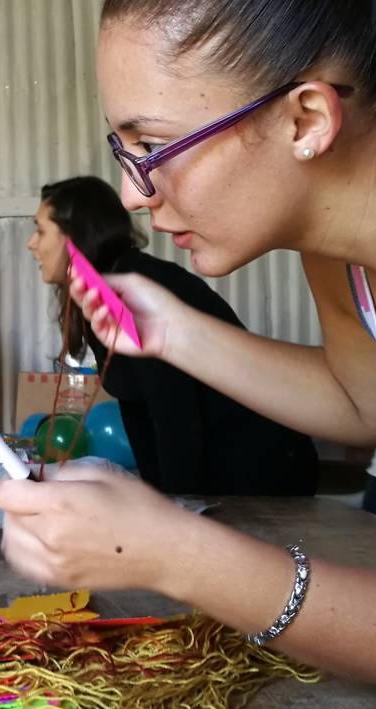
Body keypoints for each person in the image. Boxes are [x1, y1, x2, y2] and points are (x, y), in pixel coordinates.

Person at [0, 0, 376, 704]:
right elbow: (367, 404)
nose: (132, 195)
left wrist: (176, 553)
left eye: (153, 148)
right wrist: (175, 334)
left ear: (306, 120)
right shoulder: (344, 218)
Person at [28, 175, 317, 494]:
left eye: (40, 230)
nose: (32, 243)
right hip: (221, 470)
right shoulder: (102, 291)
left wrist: (175, 507)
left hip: (265, 468)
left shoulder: (137, 288)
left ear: (75, 236)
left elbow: (175, 415)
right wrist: (156, 497)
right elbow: (136, 404)